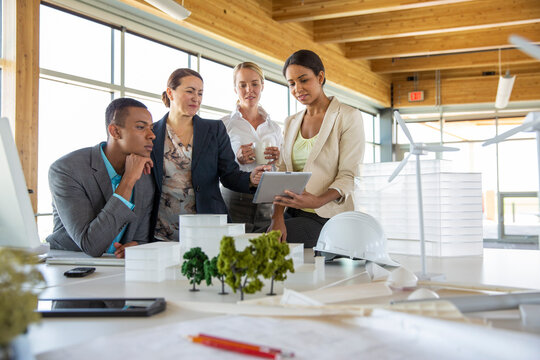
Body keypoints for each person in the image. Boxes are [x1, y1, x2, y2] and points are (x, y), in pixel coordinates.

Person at [151, 68, 269, 242]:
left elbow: (229, 175)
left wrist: (251, 178)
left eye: (200, 93)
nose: (196, 98)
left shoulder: (214, 130)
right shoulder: (151, 133)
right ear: (170, 92)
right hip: (160, 230)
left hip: (206, 227)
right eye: (190, 91)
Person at [268, 50, 365, 248]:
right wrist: (276, 216)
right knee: (249, 237)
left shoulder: (347, 116)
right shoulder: (291, 122)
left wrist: (317, 201)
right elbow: (283, 173)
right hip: (292, 212)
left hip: (326, 217)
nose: (298, 89)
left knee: (260, 245)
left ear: (320, 77)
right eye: (292, 83)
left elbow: (349, 175)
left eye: (304, 80)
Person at [46, 98, 156, 257]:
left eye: (151, 128)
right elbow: (91, 245)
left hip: (117, 269)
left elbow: (141, 238)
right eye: (140, 127)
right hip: (68, 264)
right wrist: (128, 180)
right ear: (115, 131)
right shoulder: (67, 169)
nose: (152, 135)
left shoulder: (145, 175)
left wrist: (137, 246)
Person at [221, 62, 283, 232]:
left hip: (268, 199)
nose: (249, 90)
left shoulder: (274, 128)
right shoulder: (225, 124)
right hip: (235, 198)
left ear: (262, 86)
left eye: (255, 84)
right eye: (243, 85)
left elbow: (282, 167)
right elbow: (217, 165)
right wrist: (236, 158)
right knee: (235, 249)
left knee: (265, 250)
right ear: (235, 88)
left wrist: (279, 158)